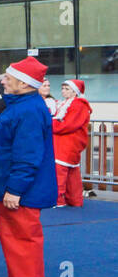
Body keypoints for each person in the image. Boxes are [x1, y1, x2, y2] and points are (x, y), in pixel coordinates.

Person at [0, 56, 56, 277]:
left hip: (19, 191)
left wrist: (15, 189)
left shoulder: (28, 110)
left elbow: (27, 155)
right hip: (15, 188)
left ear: (24, 84)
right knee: (16, 241)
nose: (4, 80)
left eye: (10, 78)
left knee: (22, 241)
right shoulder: (25, 106)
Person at [52, 79, 91, 207]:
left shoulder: (78, 105)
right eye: (63, 88)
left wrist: (51, 124)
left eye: (67, 89)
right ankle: (74, 200)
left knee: (60, 171)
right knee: (72, 173)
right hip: (67, 141)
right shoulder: (67, 103)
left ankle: (59, 199)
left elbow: (68, 125)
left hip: (68, 142)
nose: (63, 91)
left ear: (75, 92)